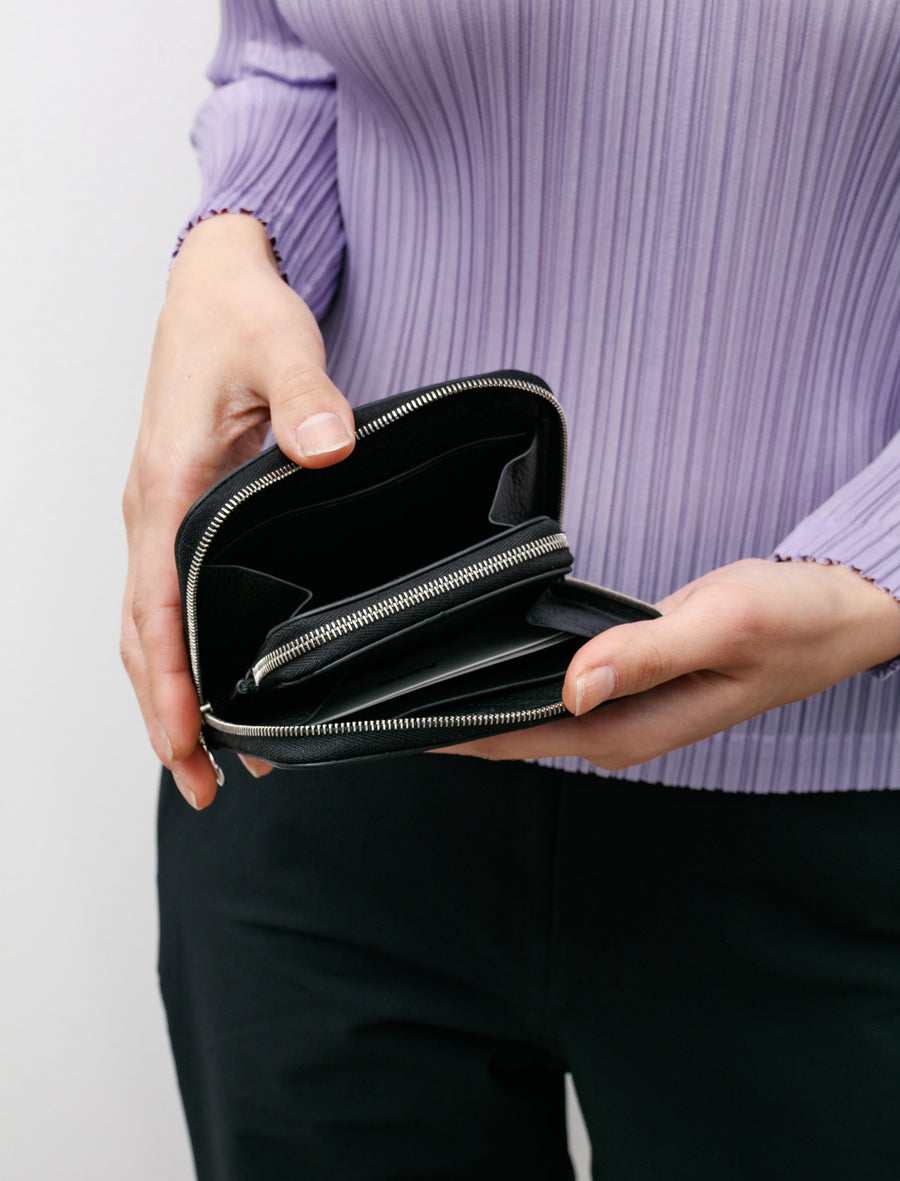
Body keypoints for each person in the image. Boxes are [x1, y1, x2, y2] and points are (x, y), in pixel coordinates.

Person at [122, 1, 900, 1177]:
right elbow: (284, 58)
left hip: (842, 791)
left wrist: (879, 564)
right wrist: (235, 243)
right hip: (333, 739)